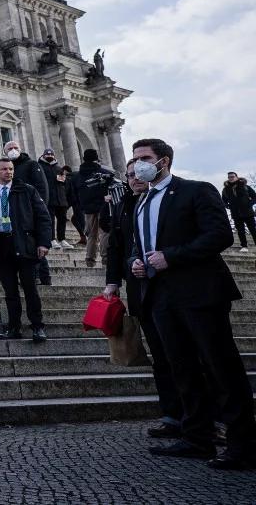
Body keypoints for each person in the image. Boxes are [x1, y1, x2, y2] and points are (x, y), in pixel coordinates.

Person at [130, 138, 254, 469]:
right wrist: (136, 263)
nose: (138, 164)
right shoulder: (142, 202)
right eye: (135, 157)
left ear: (164, 161)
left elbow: (219, 235)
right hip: (160, 296)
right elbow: (140, 245)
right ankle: (198, 436)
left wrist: (172, 256)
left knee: (220, 366)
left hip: (199, 292)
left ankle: (244, 443)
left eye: (144, 158)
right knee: (181, 367)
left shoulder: (195, 190)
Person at [103, 159, 188, 441]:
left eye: (138, 173)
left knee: (183, 354)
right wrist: (113, 280)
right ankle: (172, 415)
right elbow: (115, 245)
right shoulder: (125, 206)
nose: (134, 179)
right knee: (160, 355)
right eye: (129, 175)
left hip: (174, 284)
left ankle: (200, 417)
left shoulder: (167, 199)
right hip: (140, 287)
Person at [0, 158, 51, 342]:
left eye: (11, 169)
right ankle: (14, 327)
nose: (8, 172)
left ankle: (37, 327)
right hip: (1, 246)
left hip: (24, 244)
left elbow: (43, 217)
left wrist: (43, 243)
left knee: (30, 288)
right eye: (4, 169)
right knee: (10, 291)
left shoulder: (27, 190)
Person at [4, 141, 51, 286]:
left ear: (20, 149)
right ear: (5, 152)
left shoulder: (31, 164)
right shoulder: (8, 168)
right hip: (17, 213)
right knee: (27, 245)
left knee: (35, 243)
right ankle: (38, 276)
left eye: (15, 148)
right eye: (9, 149)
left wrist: (40, 208)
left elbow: (42, 187)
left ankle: (41, 276)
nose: (13, 150)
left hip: (32, 210)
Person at [70, 148, 114, 268]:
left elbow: (74, 193)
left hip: (87, 208)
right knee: (104, 232)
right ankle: (105, 258)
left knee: (91, 235)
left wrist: (81, 205)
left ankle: (90, 259)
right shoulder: (105, 173)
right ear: (96, 158)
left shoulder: (77, 176)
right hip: (103, 206)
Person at [222, 172, 256, 251]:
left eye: (233, 176)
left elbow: (254, 196)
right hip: (236, 213)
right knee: (240, 231)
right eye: (229, 177)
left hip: (248, 212)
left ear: (237, 177)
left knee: (253, 230)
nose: (231, 178)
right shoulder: (226, 189)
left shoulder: (245, 186)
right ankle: (244, 246)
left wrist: (249, 204)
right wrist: (228, 206)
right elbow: (223, 200)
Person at [49, 165, 73, 249]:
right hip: (50, 199)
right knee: (50, 220)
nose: (50, 155)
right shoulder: (41, 167)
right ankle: (52, 239)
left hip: (61, 199)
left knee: (62, 219)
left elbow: (66, 186)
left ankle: (62, 239)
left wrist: (64, 179)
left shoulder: (59, 169)